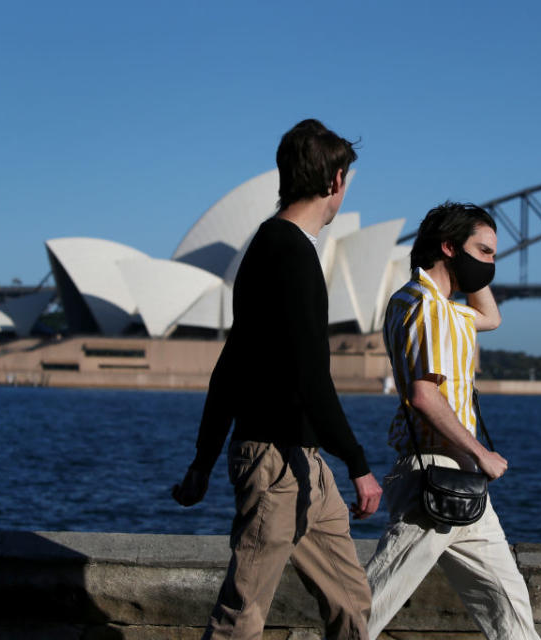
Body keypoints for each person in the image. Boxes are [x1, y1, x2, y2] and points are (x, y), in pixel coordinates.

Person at [172, 118, 383, 640]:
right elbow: (311, 376)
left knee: (351, 600)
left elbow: (231, 365)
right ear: (334, 181)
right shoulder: (288, 253)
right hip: (274, 460)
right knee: (241, 618)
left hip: (302, 459)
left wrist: (203, 460)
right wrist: (359, 463)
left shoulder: (273, 247)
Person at [365, 202, 541, 640]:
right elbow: (424, 395)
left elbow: (492, 318)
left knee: (510, 609)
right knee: (368, 609)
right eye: (483, 251)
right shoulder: (428, 309)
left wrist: (475, 268)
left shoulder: (422, 303)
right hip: (434, 474)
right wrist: (482, 453)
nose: (490, 265)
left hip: (458, 481)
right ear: (448, 247)